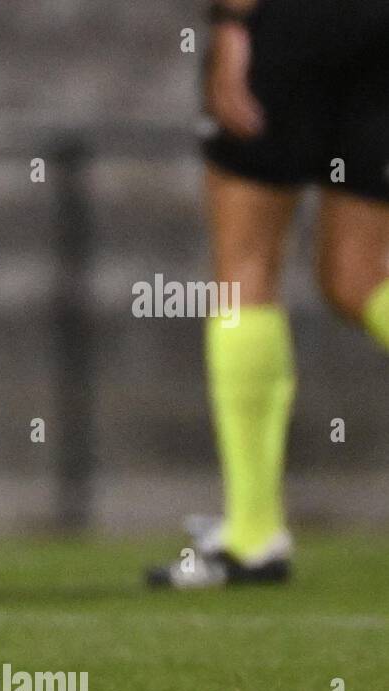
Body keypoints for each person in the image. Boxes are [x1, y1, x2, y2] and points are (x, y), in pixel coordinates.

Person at [148, 0, 389, 588]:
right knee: (359, 280)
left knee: (244, 267)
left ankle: (253, 536)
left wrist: (234, 22)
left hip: (290, 21)